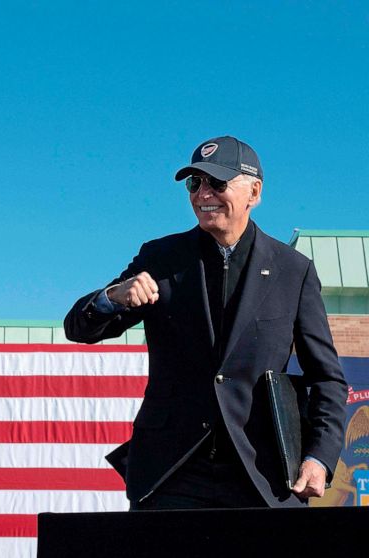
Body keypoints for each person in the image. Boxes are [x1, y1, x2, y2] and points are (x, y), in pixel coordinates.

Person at [63, 135, 347, 509]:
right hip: (172, 471)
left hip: (263, 474)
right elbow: (78, 329)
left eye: (217, 182)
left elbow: (326, 378)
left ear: (254, 192)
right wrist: (112, 296)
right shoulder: (161, 257)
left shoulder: (293, 271)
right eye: (194, 183)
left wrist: (318, 457)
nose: (202, 193)